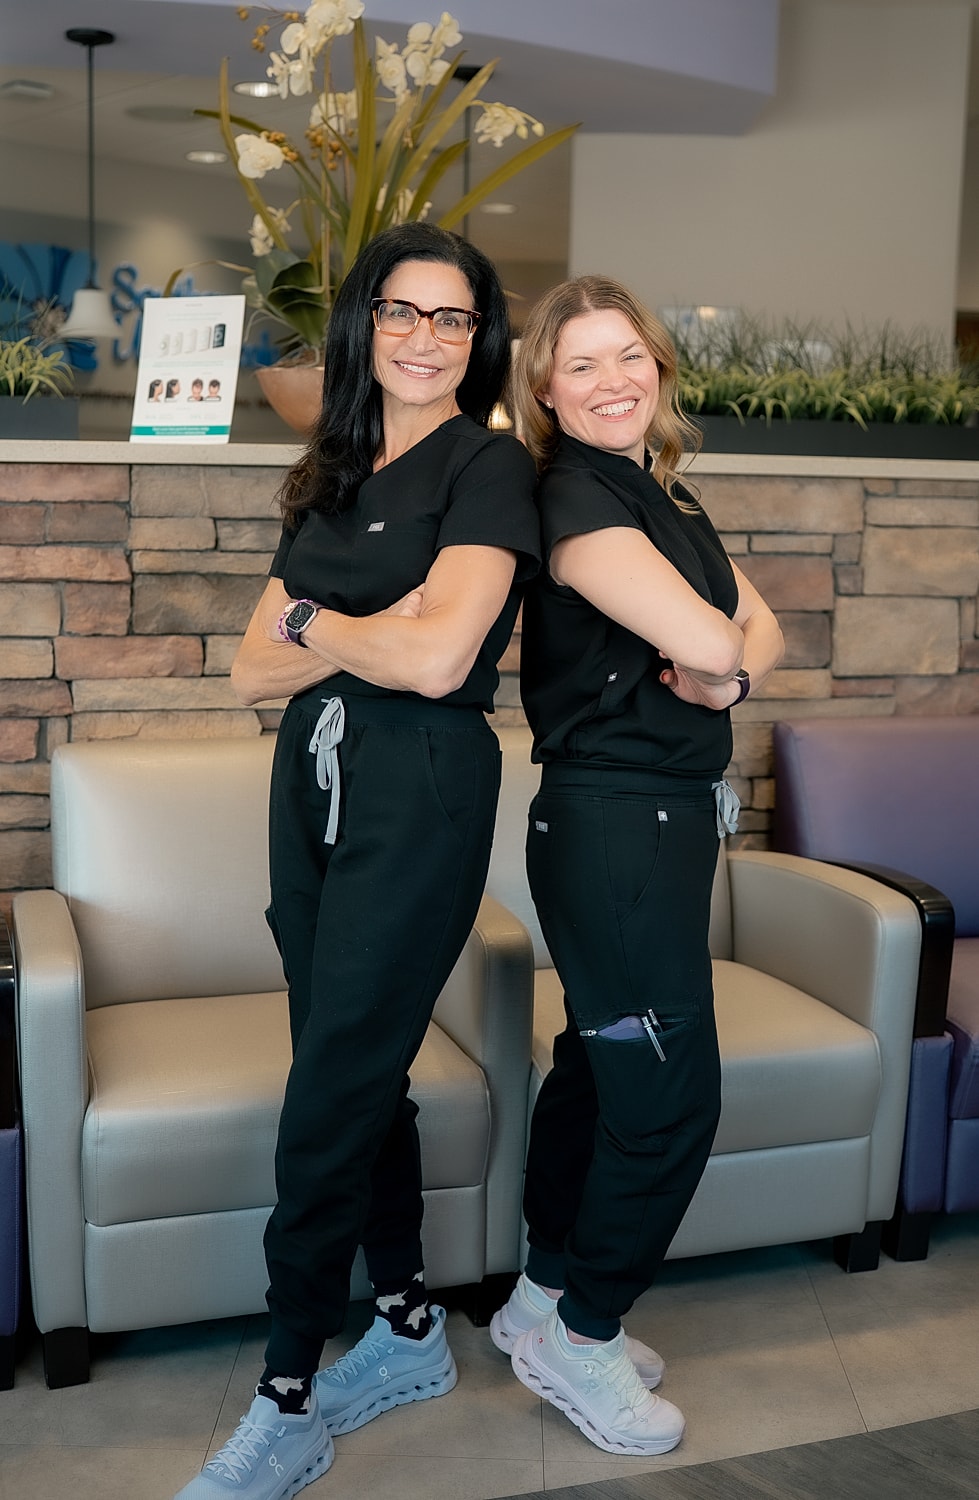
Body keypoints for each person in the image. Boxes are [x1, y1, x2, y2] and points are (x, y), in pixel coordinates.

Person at [174, 222, 538, 1500]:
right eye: (401, 311)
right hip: (311, 781)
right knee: (350, 1051)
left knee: (330, 1081)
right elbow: (248, 666)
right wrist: (368, 623)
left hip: (422, 791)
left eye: (452, 319)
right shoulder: (331, 463)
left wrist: (322, 619)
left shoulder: (491, 470)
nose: (424, 339)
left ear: (479, 339)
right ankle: (405, 1318)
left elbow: (445, 664)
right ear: (363, 324)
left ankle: (285, 1391)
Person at [491, 275, 784, 1457]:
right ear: (547, 395)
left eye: (629, 358)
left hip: (651, 831)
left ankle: (541, 1296)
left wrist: (729, 674)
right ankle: (586, 1331)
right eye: (582, 366)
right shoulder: (573, 500)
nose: (612, 382)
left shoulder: (661, 491)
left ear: (657, 368)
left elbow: (759, 634)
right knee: (666, 1098)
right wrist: (722, 661)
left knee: (599, 1069)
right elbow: (717, 635)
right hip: (612, 830)